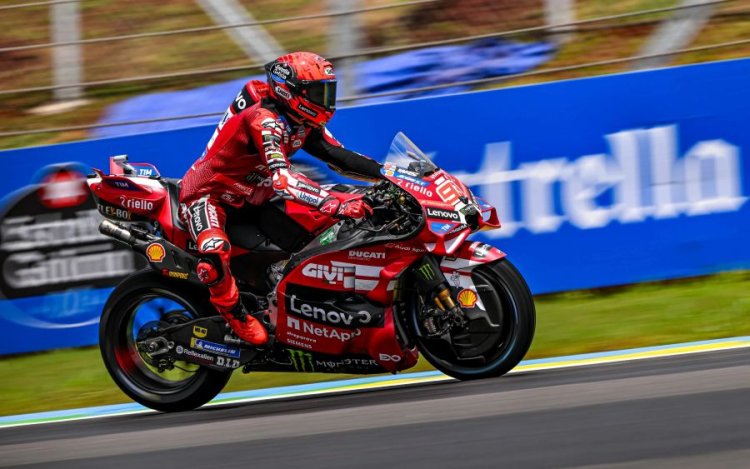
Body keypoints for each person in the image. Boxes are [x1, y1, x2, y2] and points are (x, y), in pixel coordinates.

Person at [179, 51, 382, 346]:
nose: (326, 100)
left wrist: (389, 174)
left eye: (327, 91)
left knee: (319, 229)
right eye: (318, 93)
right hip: (208, 196)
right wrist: (337, 203)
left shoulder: (300, 119)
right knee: (215, 251)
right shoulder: (264, 121)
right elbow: (283, 179)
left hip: (254, 197)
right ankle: (235, 316)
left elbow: (337, 155)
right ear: (290, 91)